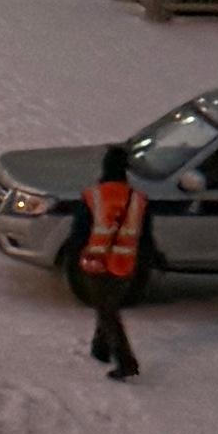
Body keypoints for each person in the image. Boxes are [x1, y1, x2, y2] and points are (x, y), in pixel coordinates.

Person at [64, 138, 153, 380]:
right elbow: (145, 237)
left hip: (97, 262)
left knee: (107, 311)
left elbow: (80, 232)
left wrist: (75, 254)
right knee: (107, 305)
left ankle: (126, 362)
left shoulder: (93, 196)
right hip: (126, 264)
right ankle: (100, 348)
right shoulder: (138, 199)